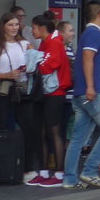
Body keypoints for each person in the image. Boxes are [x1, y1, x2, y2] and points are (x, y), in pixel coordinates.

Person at [0, 11, 43, 182]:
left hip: (21, 90)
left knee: (28, 128)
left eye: (16, 24)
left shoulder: (25, 43)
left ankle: (28, 168)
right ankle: (0, 168)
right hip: (0, 89)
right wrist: (7, 75)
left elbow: (38, 60)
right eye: (10, 25)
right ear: (3, 26)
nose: (14, 28)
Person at [63, 2, 100, 189]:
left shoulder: (88, 34)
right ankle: (90, 171)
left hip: (82, 93)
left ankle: (70, 178)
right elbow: (88, 58)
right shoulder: (94, 34)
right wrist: (92, 87)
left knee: (78, 138)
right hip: (93, 93)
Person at [30, 13, 71, 187]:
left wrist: (33, 62)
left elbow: (48, 66)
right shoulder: (46, 42)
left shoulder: (54, 43)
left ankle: (60, 173)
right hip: (45, 92)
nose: (31, 30)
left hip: (55, 93)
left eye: (33, 27)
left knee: (54, 132)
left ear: (41, 28)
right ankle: (45, 171)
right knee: (42, 132)